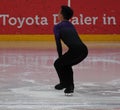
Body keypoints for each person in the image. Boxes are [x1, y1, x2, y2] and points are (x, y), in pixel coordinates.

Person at [53, 5, 88, 95]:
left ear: (61, 15)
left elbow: (58, 43)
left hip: (76, 50)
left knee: (58, 63)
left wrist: (60, 58)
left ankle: (64, 83)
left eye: (59, 12)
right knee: (66, 65)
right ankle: (69, 86)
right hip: (83, 50)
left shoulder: (57, 27)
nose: (57, 14)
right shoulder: (70, 25)